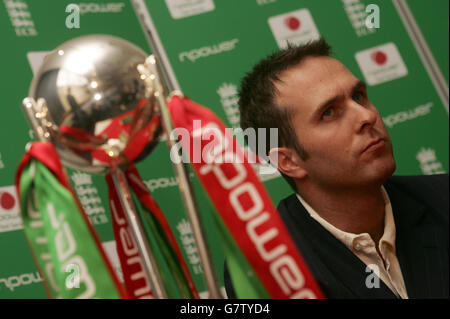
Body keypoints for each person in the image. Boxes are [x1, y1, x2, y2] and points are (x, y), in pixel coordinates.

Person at [224, 38, 449, 299]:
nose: (367, 116)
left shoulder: (442, 198)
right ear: (289, 161)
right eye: (329, 113)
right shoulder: (269, 268)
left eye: (359, 96)